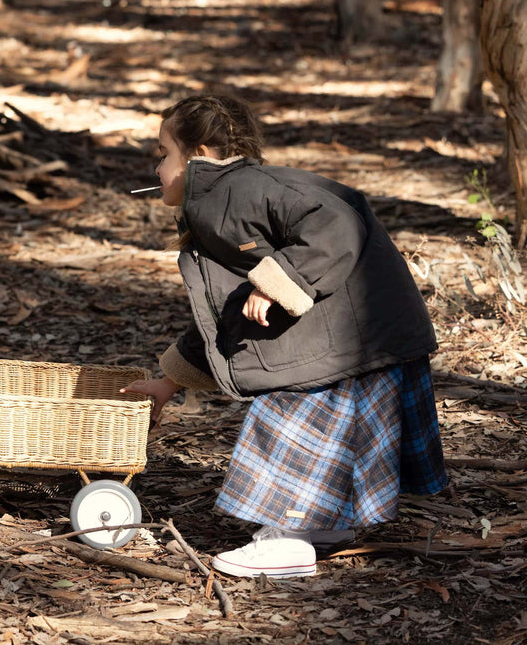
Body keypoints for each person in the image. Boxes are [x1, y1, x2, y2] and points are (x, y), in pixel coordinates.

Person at [124, 94, 447, 578]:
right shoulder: (220, 204)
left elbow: (335, 223)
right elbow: (227, 316)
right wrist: (169, 382)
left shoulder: (243, 191)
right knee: (328, 432)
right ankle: (323, 522)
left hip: (349, 335)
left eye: (164, 153)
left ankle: (285, 539)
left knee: (284, 424)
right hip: (354, 335)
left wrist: (280, 282)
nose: (157, 167)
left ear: (201, 155)